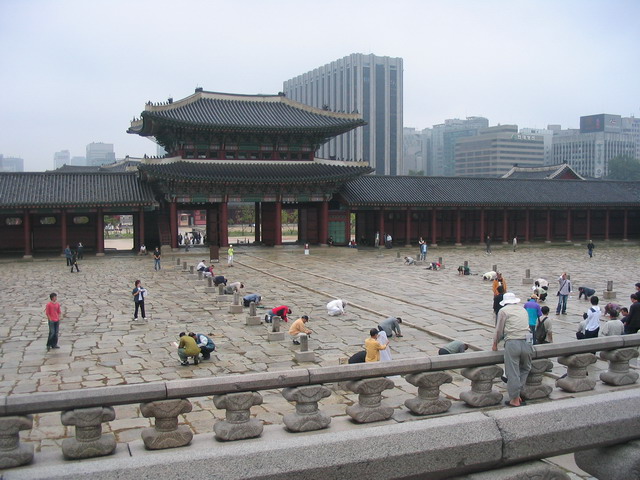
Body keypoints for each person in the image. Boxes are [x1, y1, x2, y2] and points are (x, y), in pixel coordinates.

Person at [492, 292, 533, 408]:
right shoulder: (523, 309)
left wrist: (495, 343)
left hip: (513, 342)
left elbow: (499, 330)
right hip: (527, 341)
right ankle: (517, 394)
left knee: (513, 372)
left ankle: (514, 399)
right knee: (526, 368)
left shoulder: (503, 311)